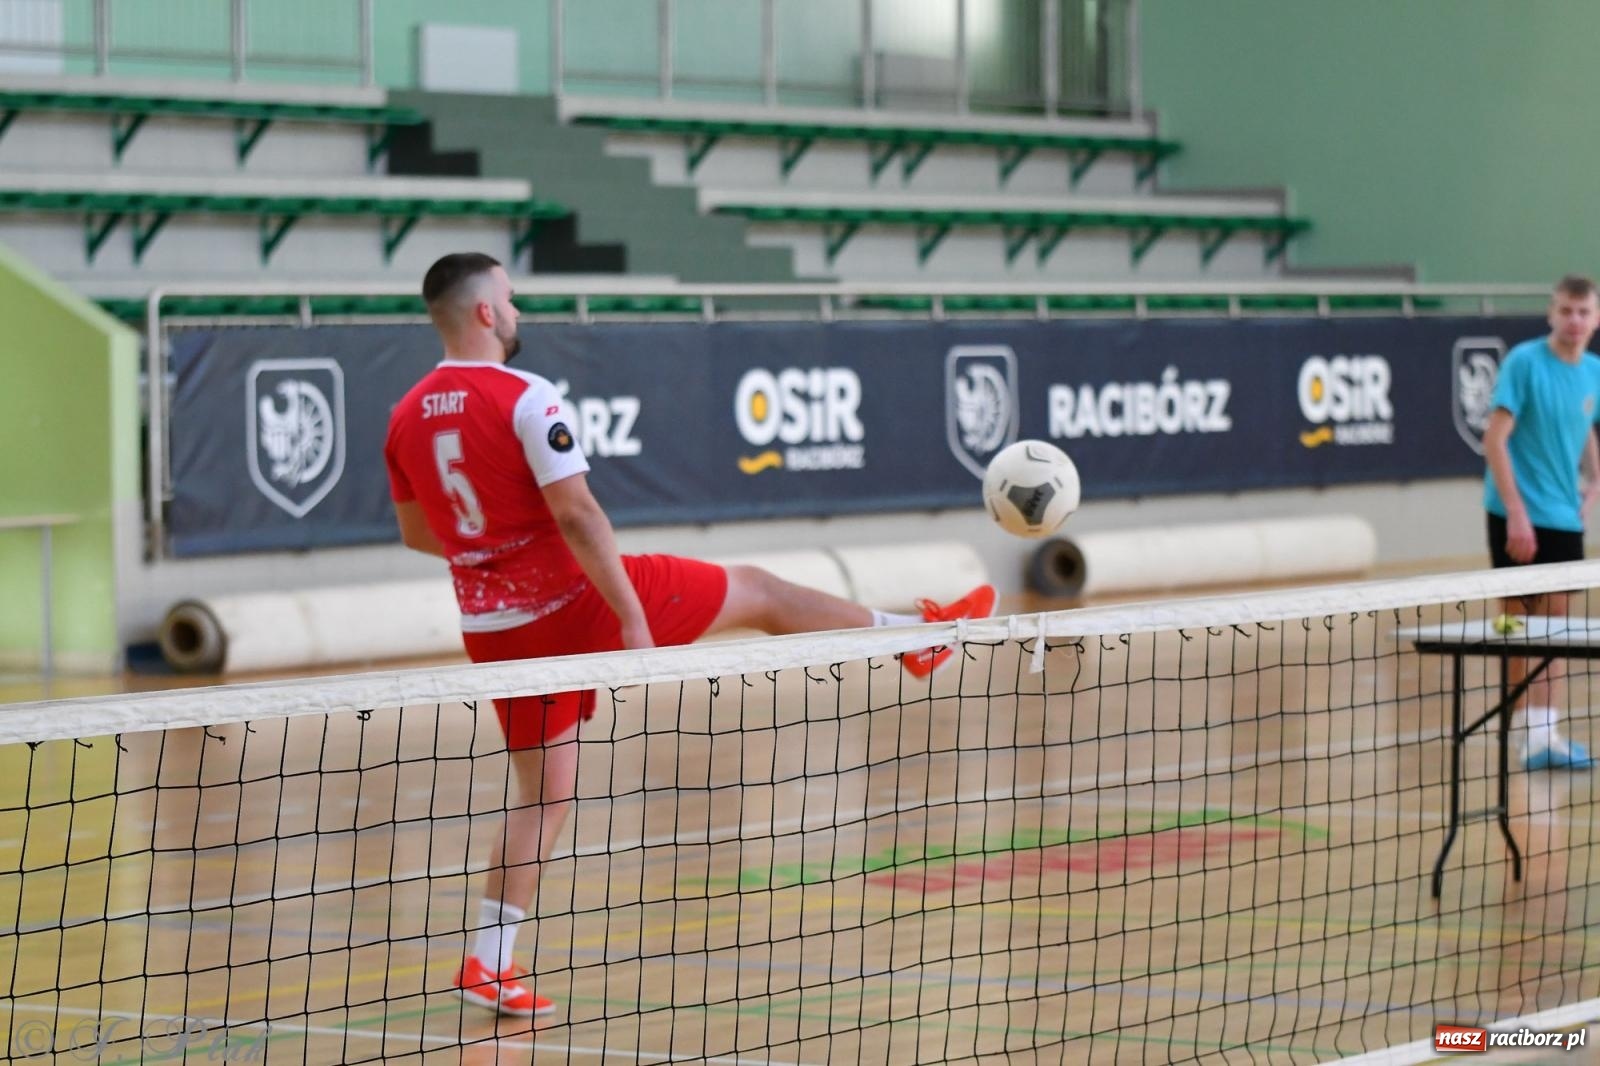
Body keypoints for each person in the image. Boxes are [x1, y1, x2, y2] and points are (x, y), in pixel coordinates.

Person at [383, 252, 994, 1016]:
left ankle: (489, 959)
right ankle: (912, 637)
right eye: (509, 298)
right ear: (484, 313)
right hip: (578, 603)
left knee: (544, 797)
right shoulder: (525, 396)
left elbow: (419, 533)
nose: (515, 311)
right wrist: (633, 619)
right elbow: (578, 514)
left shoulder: (406, 414)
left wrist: (493, 554)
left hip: (495, 630)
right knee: (760, 593)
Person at [1482, 273, 1600, 771]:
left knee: (1555, 627)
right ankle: (1519, 731)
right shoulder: (1524, 363)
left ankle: (1543, 734)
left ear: (1595, 319)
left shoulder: (1593, 370)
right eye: (1566, 311)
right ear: (1551, 313)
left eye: (1584, 312)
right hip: (1516, 516)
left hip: (1562, 517)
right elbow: (1494, 440)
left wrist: (1595, 477)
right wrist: (1516, 514)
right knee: (1517, 626)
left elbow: (1583, 422)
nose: (1574, 321)